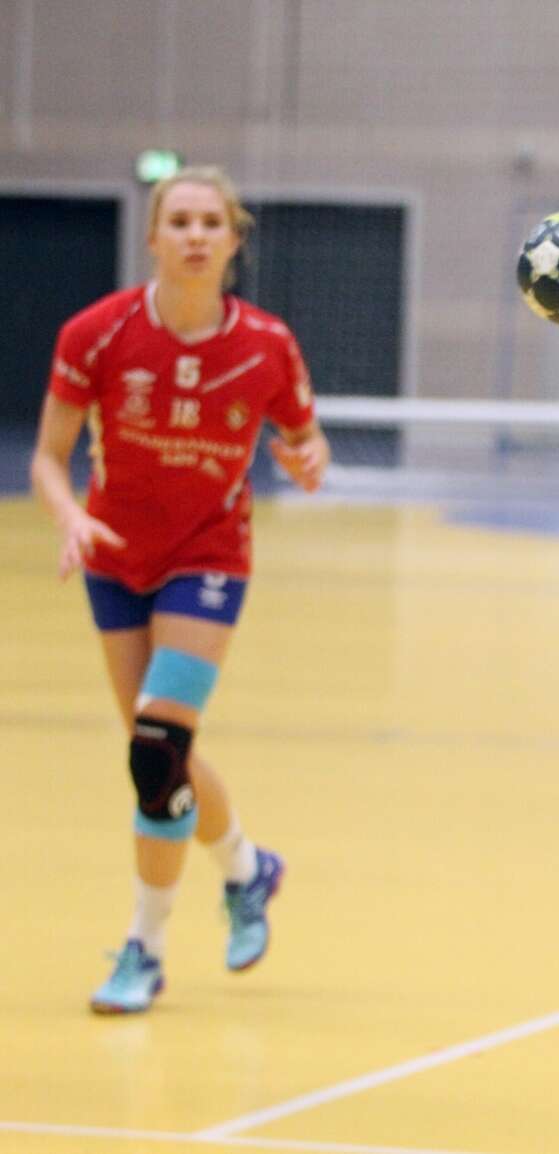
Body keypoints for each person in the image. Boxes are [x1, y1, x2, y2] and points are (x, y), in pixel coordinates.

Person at [29, 166, 330, 1014]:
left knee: (157, 750)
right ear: (154, 237)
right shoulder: (96, 334)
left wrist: (308, 461)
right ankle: (246, 867)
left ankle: (146, 949)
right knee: (162, 751)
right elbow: (48, 457)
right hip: (113, 556)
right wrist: (69, 516)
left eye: (211, 223)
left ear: (233, 241)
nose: (196, 235)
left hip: (209, 558)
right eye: (181, 221)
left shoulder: (267, 344)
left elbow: (307, 438)